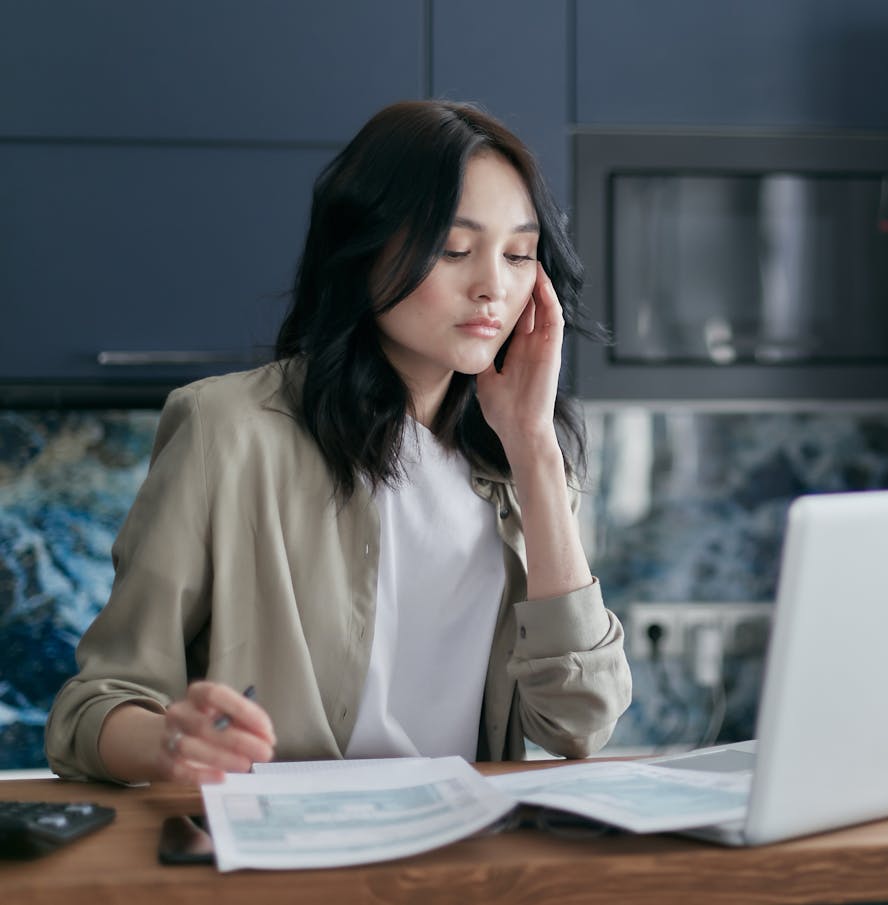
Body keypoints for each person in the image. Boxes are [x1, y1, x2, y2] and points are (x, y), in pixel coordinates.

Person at [44, 100, 633, 785]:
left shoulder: (521, 457)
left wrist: (533, 444)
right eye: (454, 248)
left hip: (465, 860)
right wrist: (170, 741)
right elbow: (89, 710)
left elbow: (580, 722)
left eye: (519, 253)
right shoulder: (227, 430)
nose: (493, 287)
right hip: (285, 861)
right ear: (363, 248)